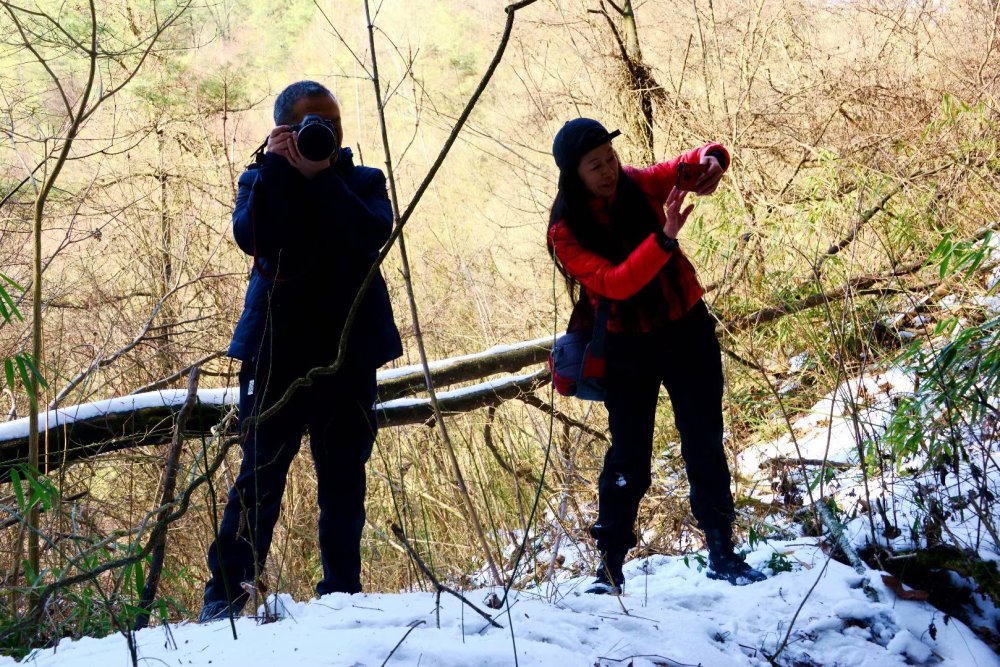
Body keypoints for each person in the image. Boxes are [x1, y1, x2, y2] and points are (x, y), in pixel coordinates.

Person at [199, 81, 403, 622]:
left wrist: (321, 180)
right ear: (284, 130)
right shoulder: (260, 178)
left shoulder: (364, 182)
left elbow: (370, 232)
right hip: (275, 355)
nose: (326, 133)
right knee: (259, 479)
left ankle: (342, 596)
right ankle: (224, 601)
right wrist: (280, 170)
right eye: (312, 124)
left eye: (333, 124)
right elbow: (253, 236)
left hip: (349, 353)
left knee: (344, 481)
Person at [546, 118, 765, 595]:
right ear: (573, 174)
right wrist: (664, 237)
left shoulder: (636, 184)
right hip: (626, 346)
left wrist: (713, 159)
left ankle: (722, 550)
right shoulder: (565, 232)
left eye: (610, 158)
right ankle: (609, 567)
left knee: (704, 439)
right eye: (594, 165)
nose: (608, 170)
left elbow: (683, 165)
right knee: (629, 459)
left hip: (686, 328)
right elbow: (615, 282)